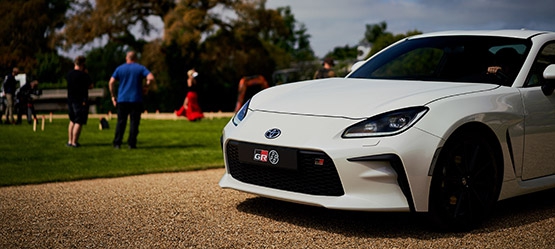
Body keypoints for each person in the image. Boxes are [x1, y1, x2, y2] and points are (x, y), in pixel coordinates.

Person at [109, 51, 155, 149]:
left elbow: (111, 82)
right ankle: (132, 143)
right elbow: (150, 77)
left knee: (121, 122)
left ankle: (117, 142)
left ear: (127, 58)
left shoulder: (120, 68)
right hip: (136, 99)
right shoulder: (140, 68)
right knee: (134, 122)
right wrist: (146, 87)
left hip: (122, 99)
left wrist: (113, 96)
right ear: (136, 58)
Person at [66, 56, 93, 147]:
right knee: (79, 121)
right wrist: (86, 74)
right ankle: (75, 142)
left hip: (70, 99)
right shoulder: (83, 75)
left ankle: (70, 141)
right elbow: (90, 86)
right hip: (80, 100)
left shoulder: (69, 74)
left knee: (72, 120)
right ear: (82, 64)